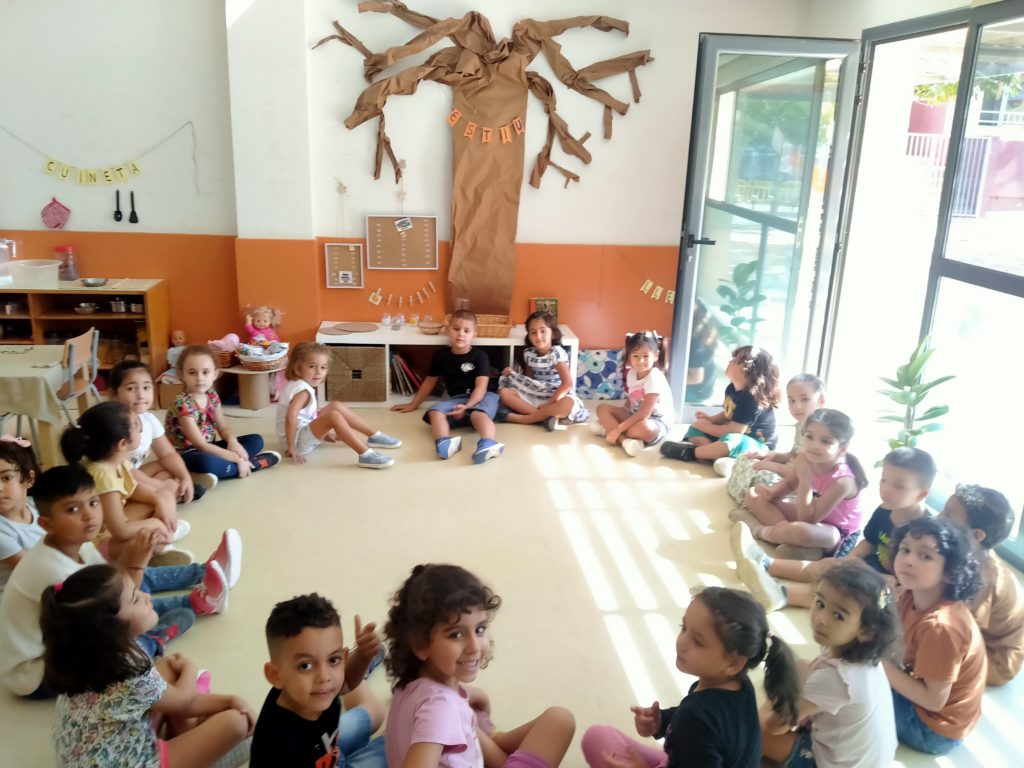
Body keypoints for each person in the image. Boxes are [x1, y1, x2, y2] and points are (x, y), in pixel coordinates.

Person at [0, 465, 238, 698]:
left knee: (139, 583)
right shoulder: (54, 572)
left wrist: (135, 553)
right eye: (73, 509)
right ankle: (178, 619)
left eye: (93, 502)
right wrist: (137, 562)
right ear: (47, 525)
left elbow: (111, 578)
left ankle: (205, 572)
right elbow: (116, 612)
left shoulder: (74, 543)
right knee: (127, 649)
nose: (89, 515)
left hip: (74, 637)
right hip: (38, 672)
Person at [41, 564, 253, 768]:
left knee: (166, 668)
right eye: (135, 599)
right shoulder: (127, 670)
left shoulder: (87, 657)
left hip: (105, 751)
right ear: (109, 628)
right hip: (135, 761)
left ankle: (187, 739)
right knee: (236, 722)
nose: (147, 596)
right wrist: (198, 676)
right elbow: (183, 702)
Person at [384, 563, 576, 768]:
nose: (474, 647)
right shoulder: (442, 707)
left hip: (470, 749)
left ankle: (495, 736)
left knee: (558, 720)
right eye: (456, 634)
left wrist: (468, 694)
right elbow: (439, 713)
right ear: (420, 644)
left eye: (480, 629)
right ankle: (495, 736)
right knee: (561, 722)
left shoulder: (409, 688)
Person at [582, 587, 798, 768]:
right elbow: (701, 728)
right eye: (684, 628)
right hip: (688, 759)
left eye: (698, 642)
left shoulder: (696, 719)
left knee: (598, 742)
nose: (681, 642)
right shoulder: (739, 685)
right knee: (597, 736)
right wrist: (661, 721)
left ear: (734, 663)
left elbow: (698, 725)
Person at [733, 447, 935, 612]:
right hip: (870, 568)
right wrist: (852, 558)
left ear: (921, 495)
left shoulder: (925, 533)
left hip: (893, 586)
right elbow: (870, 541)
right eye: (884, 480)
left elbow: (920, 580)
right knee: (829, 565)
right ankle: (765, 563)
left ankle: (781, 594)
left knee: (844, 591)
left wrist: (887, 581)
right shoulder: (886, 509)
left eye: (898, 486)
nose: (886, 489)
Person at [760, 560, 898, 767]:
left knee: (755, 726)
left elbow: (775, 726)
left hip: (832, 763)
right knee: (801, 667)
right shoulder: (863, 656)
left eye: (838, 616)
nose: (821, 619)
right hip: (870, 760)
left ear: (866, 631)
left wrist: (774, 701)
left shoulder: (836, 678)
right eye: (820, 604)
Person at [884, 516, 986, 755]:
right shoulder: (910, 595)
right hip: (921, 699)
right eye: (905, 550)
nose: (909, 560)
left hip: (933, 728)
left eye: (925, 556)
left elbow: (933, 701)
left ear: (950, 572)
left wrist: (877, 663)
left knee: (852, 685)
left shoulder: (942, 627)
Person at [251, 593, 387, 768]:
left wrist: (363, 656)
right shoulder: (279, 746)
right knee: (395, 745)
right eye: (305, 665)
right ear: (275, 675)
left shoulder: (312, 690)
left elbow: (345, 683)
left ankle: (358, 657)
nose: (324, 677)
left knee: (377, 713)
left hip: (327, 748)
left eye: (333, 659)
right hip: (322, 756)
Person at [732, 409, 867, 561]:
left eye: (825, 441)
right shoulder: (806, 458)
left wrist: (805, 480)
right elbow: (790, 484)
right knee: (753, 495)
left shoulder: (843, 482)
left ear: (842, 449)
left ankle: (759, 530)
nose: (814, 445)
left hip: (835, 533)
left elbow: (807, 520)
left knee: (803, 531)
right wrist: (772, 492)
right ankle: (792, 541)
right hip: (810, 514)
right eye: (809, 437)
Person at [61, 400, 186, 562]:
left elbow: (134, 488)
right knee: (146, 534)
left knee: (165, 496)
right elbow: (120, 530)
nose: (140, 427)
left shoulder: (116, 459)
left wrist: (159, 501)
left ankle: (164, 534)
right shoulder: (103, 475)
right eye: (136, 424)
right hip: (102, 541)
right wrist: (155, 523)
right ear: (122, 443)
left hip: (118, 521)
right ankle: (160, 541)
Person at [391, 310, 505, 464]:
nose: (461, 334)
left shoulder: (480, 356)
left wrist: (467, 406)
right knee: (435, 411)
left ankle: (488, 443)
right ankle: (444, 442)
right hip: (457, 399)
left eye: (466, 331)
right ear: (447, 330)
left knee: (478, 414)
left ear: (474, 334)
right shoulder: (441, 355)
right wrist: (413, 404)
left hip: (483, 396)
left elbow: (481, 387)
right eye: (456, 329)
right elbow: (430, 381)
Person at [940, 484, 1024, 686]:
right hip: (973, 634)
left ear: (977, 536)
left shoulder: (985, 579)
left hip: (995, 658)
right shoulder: (965, 552)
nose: (938, 517)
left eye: (948, 515)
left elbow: (964, 630)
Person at [165, 344, 281, 480]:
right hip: (187, 454)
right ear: (181, 375)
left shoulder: (212, 395)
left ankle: (229, 467)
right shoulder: (182, 404)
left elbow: (223, 427)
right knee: (206, 462)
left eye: (205, 372)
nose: (199, 378)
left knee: (256, 440)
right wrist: (237, 458)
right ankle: (250, 464)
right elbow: (200, 445)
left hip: (210, 447)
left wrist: (233, 442)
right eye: (192, 373)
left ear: (215, 374)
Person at [278, 342, 400, 469]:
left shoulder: (299, 384)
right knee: (333, 416)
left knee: (335, 406)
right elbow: (290, 417)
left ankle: (374, 435)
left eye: (323, 367)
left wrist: (323, 432)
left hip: (300, 433)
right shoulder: (302, 392)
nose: (318, 372)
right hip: (297, 442)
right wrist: (291, 447)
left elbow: (305, 415)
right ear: (297, 367)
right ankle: (366, 454)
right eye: (312, 366)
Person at [110, 359, 212, 503]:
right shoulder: (113, 425)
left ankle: (176, 490)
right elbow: (123, 470)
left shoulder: (148, 419)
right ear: (113, 394)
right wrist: (160, 486)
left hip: (134, 474)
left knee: (168, 468)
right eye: (131, 389)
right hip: (113, 483)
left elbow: (167, 454)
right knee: (159, 491)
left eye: (146, 387)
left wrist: (185, 477)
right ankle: (168, 495)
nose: (141, 395)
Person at [661, 345, 778, 464]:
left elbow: (734, 431)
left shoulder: (751, 398)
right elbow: (727, 414)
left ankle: (691, 453)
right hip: (734, 438)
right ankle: (716, 457)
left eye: (734, 361)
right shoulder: (731, 388)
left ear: (747, 370)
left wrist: (707, 427)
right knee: (695, 427)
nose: (729, 361)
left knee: (732, 439)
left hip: (757, 446)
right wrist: (711, 420)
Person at [720, 374, 825, 501]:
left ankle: (756, 501)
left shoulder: (822, 433)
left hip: (802, 483)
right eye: (791, 401)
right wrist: (772, 456)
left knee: (762, 476)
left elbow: (809, 476)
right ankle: (750, 496)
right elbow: (793, 454)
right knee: (746, 458)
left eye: (805, 399)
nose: (797, 406)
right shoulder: (801, 425)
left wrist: (773, 466)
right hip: (790, 469)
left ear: (821, 401)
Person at [498, 311, 589, 431]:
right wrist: (512, 374)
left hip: (556, 395)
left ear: (553, 333)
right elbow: (528, 381)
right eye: (533, 332)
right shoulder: (529, 353)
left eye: (543, 331)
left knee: (568, 403)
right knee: (504, 393)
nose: (538, 336)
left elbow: (567, 384)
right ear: (529, 336)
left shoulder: (557, 353)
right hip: (537, 393)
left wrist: (550, 403)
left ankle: (524, 419)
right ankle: (544, 417)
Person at [592, 331, 675, 457]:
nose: (640, 361)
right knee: (602, 408)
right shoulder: (631, 373)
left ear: (656, 356)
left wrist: (618, 428)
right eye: (635, 356)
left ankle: (608, 430)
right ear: (629, 356)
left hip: (655, 421)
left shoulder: (655, 377)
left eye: (646, 356)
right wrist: (623, 411)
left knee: (644, 429)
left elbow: (645, 413)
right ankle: (624, 441)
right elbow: (632, 397)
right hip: (635, 415)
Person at [0, 435, 43, 597]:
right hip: (14, 600)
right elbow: (36, 571)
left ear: (29, 479)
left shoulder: (38, 505)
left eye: (6, 478)